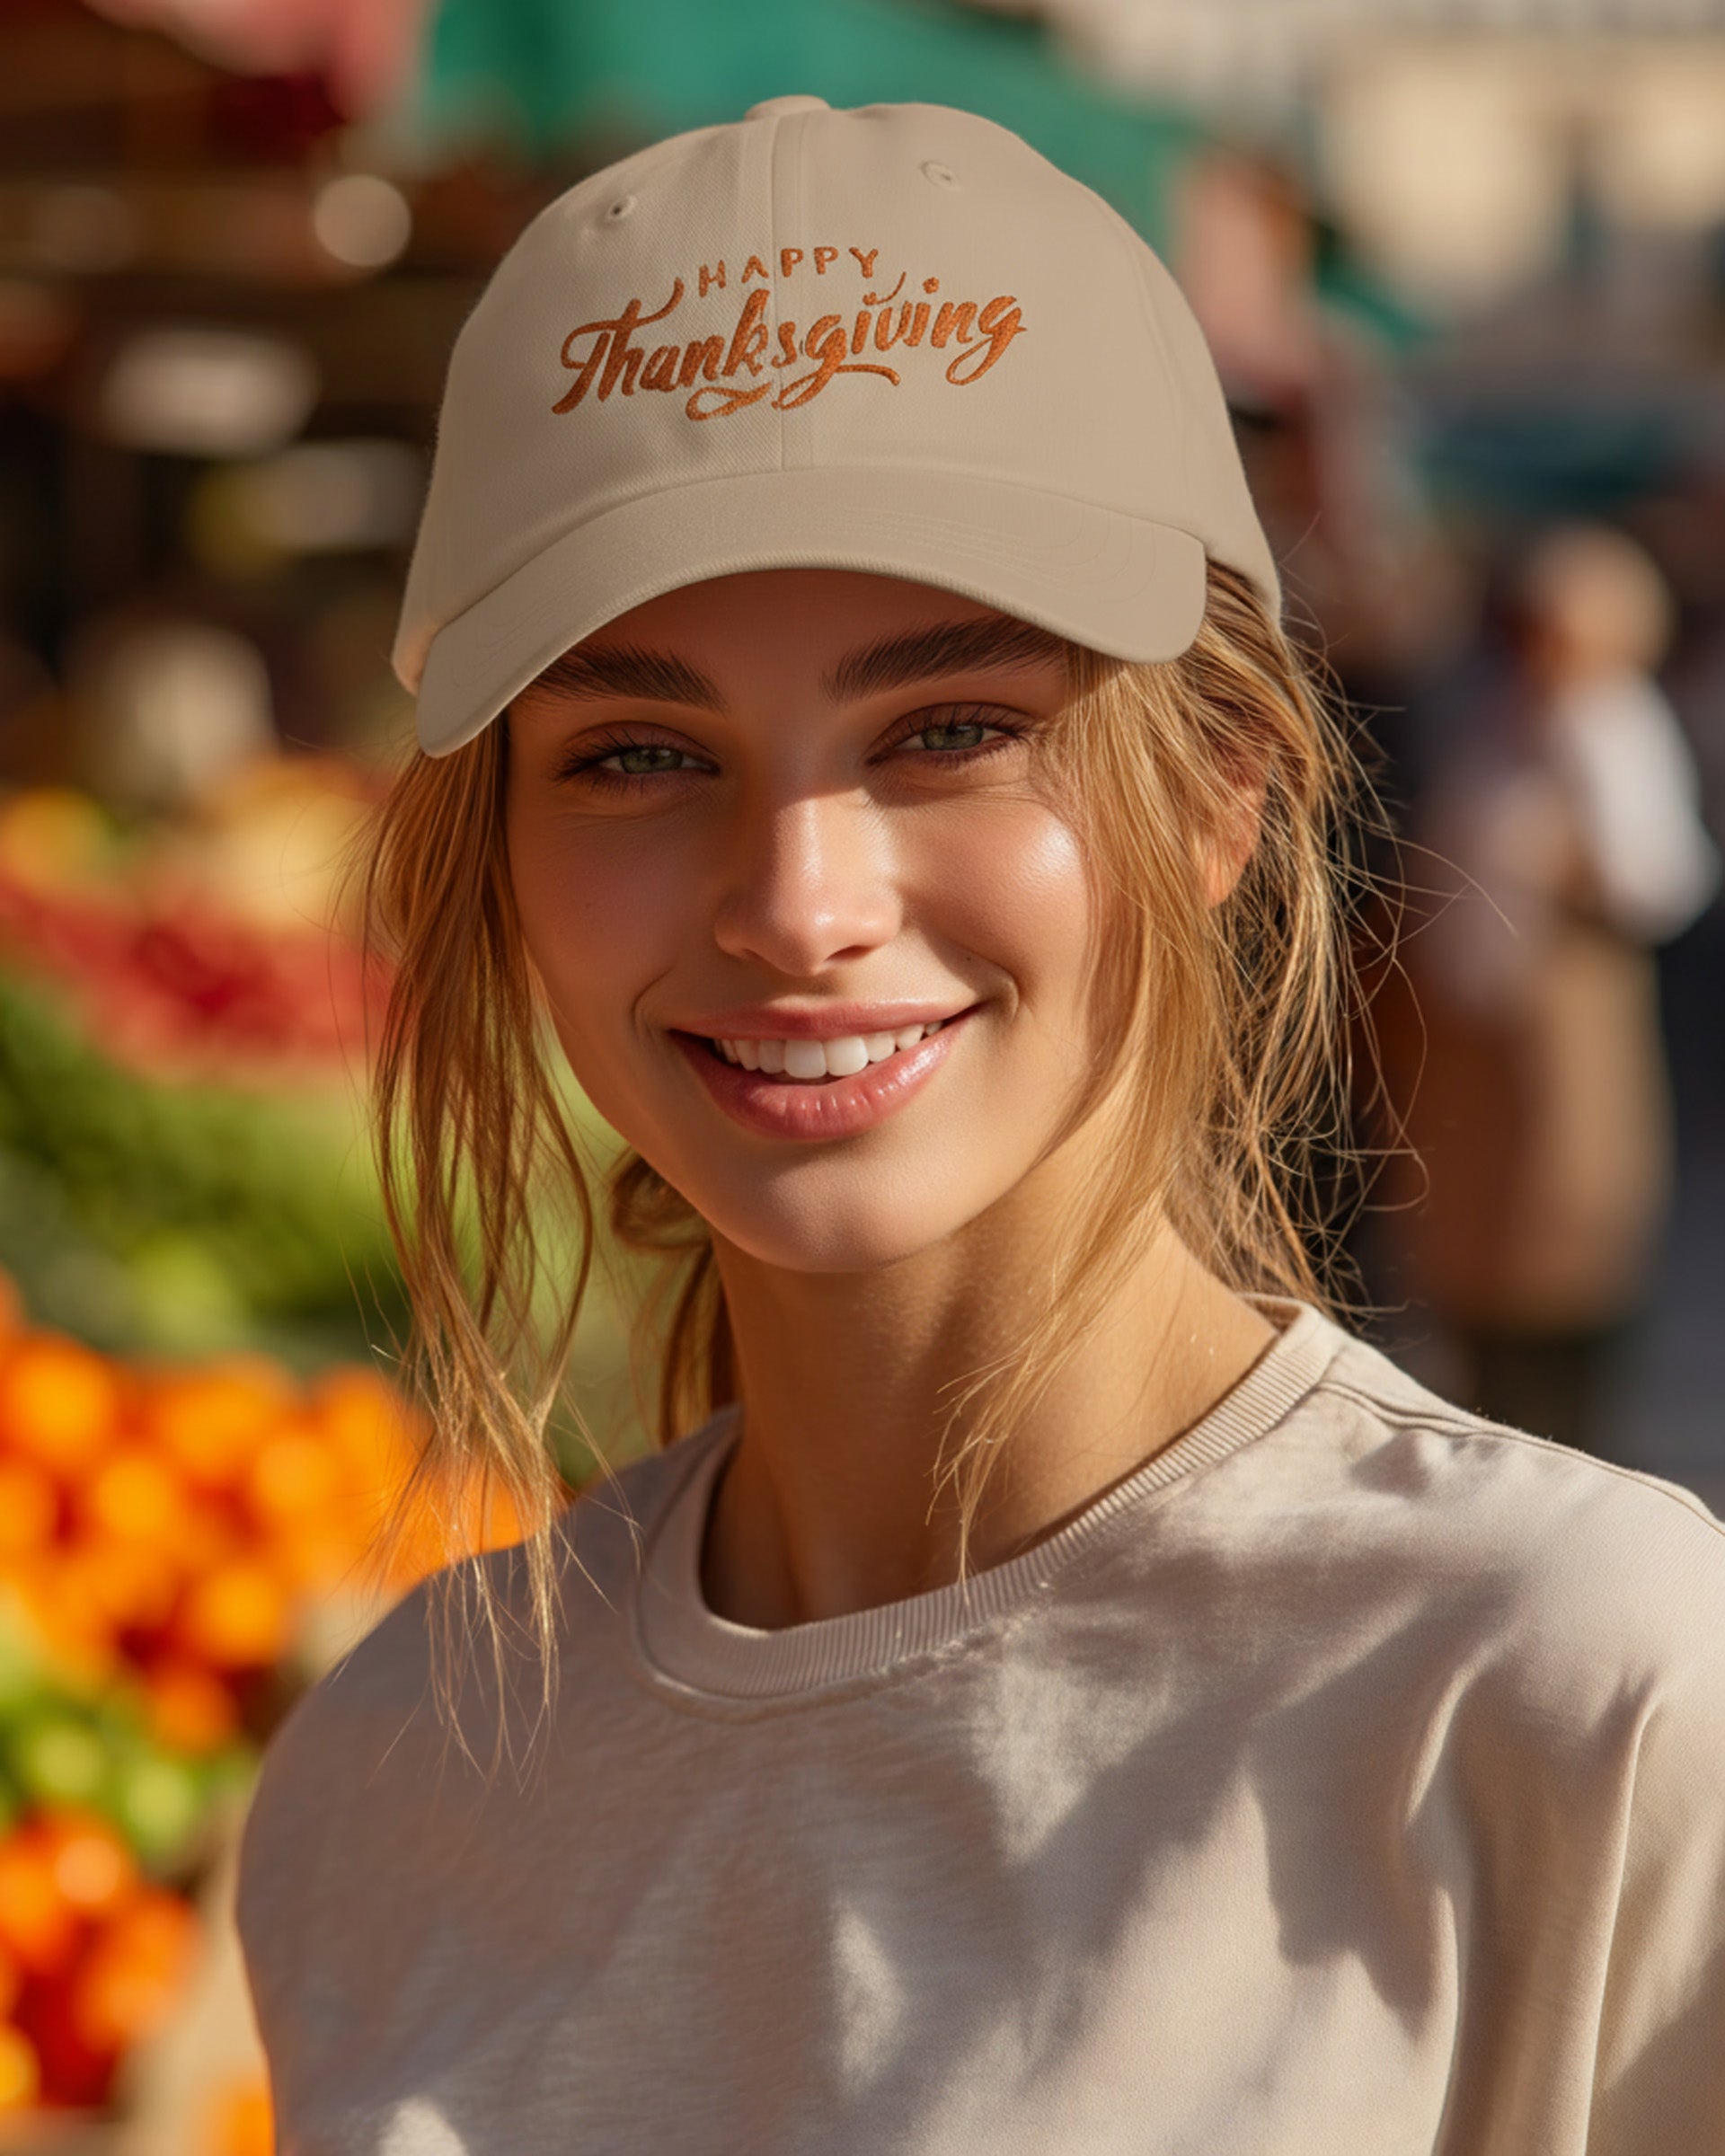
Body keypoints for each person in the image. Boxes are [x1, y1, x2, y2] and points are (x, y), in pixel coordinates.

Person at [235, 99, 1725, 2155]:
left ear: (1222, 790)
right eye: (637, 747)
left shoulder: (1576, 1691)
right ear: (490, 859)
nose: (796, 896)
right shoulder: (389, 1773)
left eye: (949, 727)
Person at [1391, 526, 1719, 1454]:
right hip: (1477, 1039)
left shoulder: (1610, 726)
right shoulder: (1497, 718)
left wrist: (1566, 870)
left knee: (1567, 1253)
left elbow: (1657, 875)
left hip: (1567, 1034)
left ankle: (1565, 1442)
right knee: (1480, 1261)